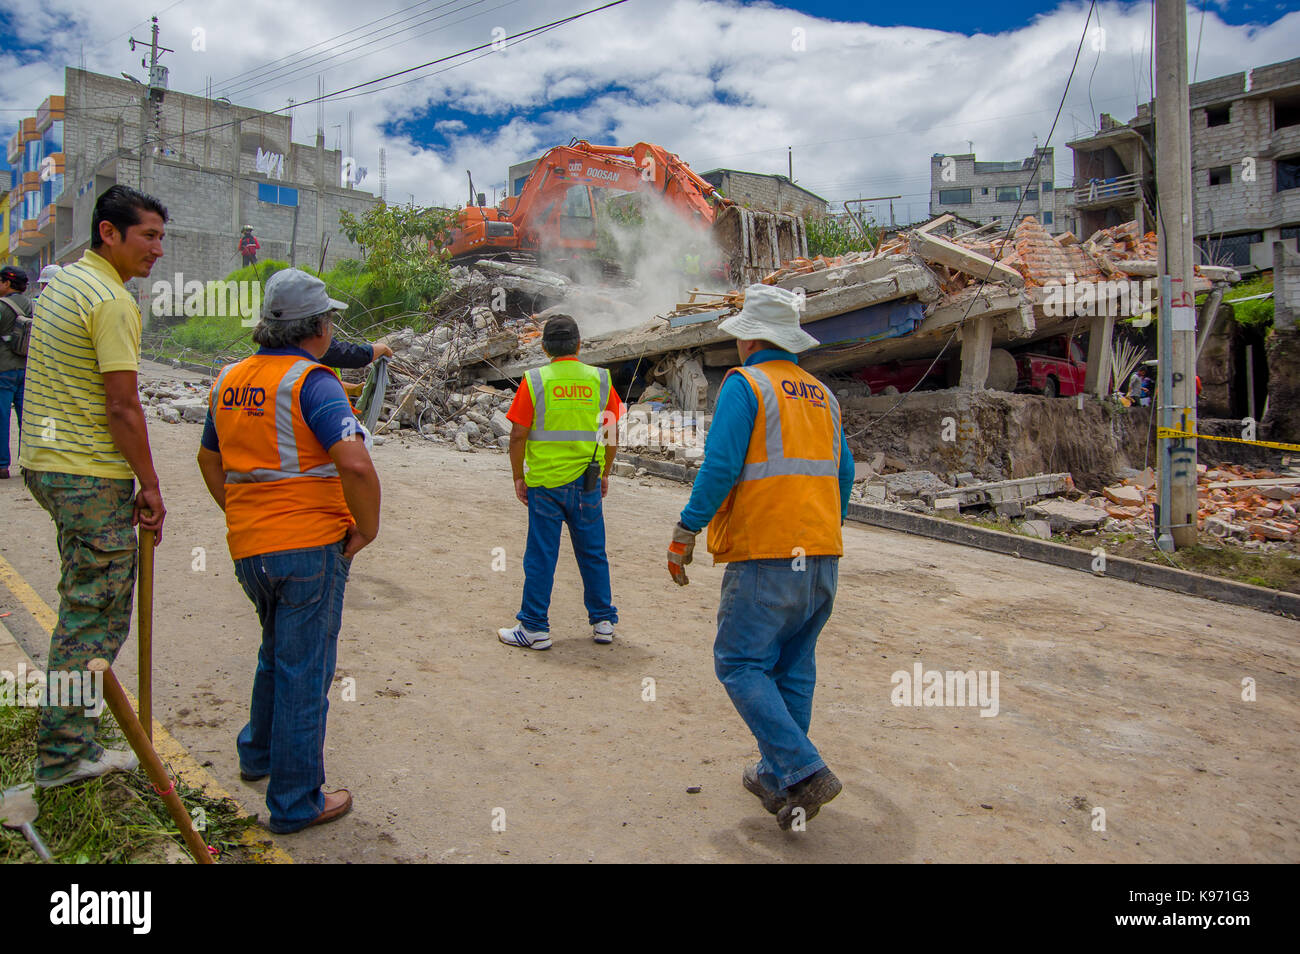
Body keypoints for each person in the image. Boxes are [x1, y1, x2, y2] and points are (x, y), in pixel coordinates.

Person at [196, 267, 380, 834]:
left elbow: (209, 459)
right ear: (318, 327)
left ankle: (258, 754)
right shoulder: (314, 382)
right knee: (305, 672)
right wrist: (366, 528)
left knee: (275, 652)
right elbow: (353, 462)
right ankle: (297, 800)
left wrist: (242, 511)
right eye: (330, 320)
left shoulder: (229, 378)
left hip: (251, 548)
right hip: (307, 548)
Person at [666, 283, 854, 830]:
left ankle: (804, 767)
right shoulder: (824, 395)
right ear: (790, 343)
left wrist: (685, 530)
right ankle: (781, 781)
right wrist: (821, 530)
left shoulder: (744, 384)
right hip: (821, 553)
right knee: (793, 668)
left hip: (767, 553)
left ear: (749, 340)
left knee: (741, 662)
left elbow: (720, 468)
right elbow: (842, 477)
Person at [18, 185, 168, 787]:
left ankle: (73, 731)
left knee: (84, 603)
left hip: (48, 464)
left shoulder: (65, 285)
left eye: (162, 236)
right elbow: (124, 406)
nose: (158, 249)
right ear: (109, 231)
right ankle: (63, 757)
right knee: (94, 618)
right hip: (87, 474)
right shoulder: (111, 301)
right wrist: (150, 484)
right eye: (148, 236)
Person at [498, 315, 624, 650]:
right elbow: (612, 431)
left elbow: (517, 435)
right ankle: (603, 622)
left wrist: (517, 476)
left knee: (541, 555)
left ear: (544, 347)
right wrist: (606, 472)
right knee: (593, 553)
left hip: (545, 484)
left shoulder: (535, 380)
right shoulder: (599, 380)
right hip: (588, 483)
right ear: (579, 345)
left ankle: (535, 627)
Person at [0, 265, 32, 480]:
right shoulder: (31, 304)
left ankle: (2, 465)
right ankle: (30, 464)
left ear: (7, 283)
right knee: (27, 419)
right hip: (26, 369)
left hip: (4, 370)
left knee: (2, 419)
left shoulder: (1, 306)